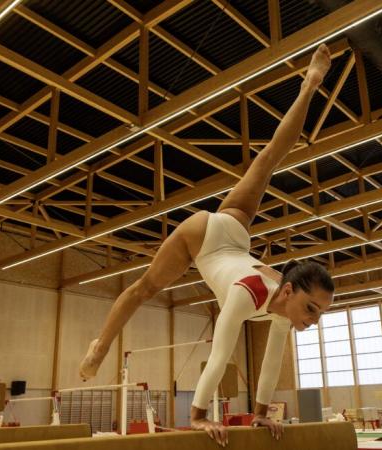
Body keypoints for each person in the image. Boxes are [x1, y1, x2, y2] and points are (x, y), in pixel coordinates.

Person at [79, 44, 335, 446]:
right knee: (145, 288)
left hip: (235, 231)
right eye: (311, 309)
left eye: (319, 313)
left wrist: (263, 415)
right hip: (204, 238)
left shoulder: (283, 307)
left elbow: (270, 365)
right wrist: (197, 417)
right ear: (288, 291)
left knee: (267, 160)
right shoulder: (247, 294)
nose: (313, 320)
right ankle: (100, 346)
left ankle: (309, 85)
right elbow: (220, 354)